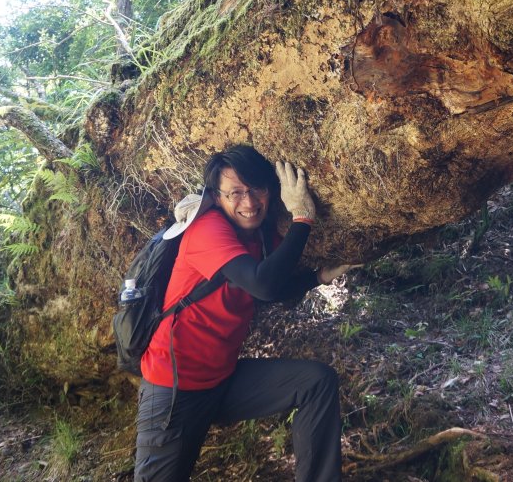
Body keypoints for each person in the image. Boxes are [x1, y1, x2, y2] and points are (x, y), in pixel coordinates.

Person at [134, 144, 354, 482]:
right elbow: (261, 285)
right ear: (216, 197)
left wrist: (319, 277)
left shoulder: (259, 236)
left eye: (256, 190)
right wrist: (302, 218)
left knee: (315, 383)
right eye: (235, 192)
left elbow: (268, 291)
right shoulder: (206, 230)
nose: (249, 203)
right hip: (174, 389)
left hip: (222, 381)